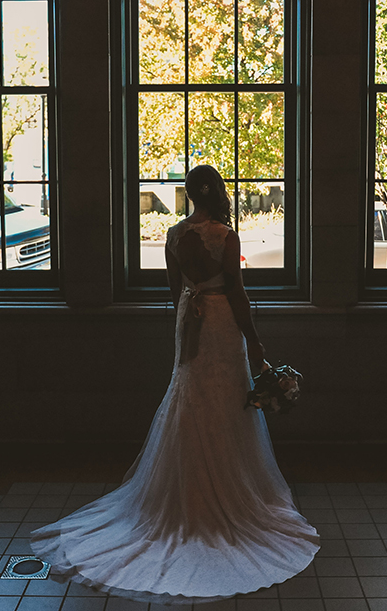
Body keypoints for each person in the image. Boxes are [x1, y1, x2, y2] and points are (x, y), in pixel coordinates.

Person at [30, 164, 319, 604]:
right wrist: (255, 341)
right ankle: (227, 496)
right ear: (218, 193)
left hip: (190, 322)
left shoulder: (173, 235)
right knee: (226, 403)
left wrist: (189, 315)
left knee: (191, 398)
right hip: (221, 322)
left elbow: (173, 289)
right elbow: (238, 294)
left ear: (188, 194)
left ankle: (179, 495)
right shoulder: (225, 235)